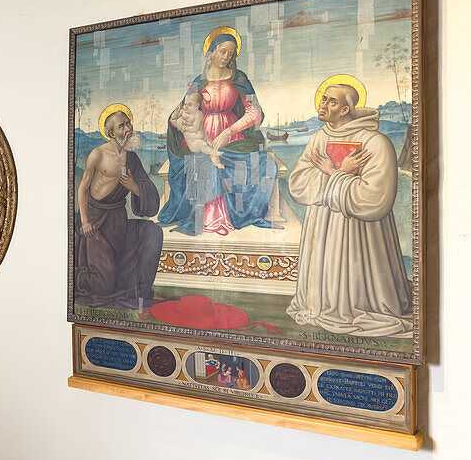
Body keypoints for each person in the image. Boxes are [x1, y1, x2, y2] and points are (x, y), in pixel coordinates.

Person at [286, 81, 413, 337]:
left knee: (358, 286)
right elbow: (298, 183)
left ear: (345, 110)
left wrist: (334, 174)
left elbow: (375, 198)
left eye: (331, 101)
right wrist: (336, 175)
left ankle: (359, 306)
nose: (323, 105)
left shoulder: (376, 142)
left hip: (361, 231)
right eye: (323, 99)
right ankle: (322, 305)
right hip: (322, 223)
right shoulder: (319, 138)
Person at [157, 30, 279, 236]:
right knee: (205, 162)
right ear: (211, 53)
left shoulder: (240, 78)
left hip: (233, 134)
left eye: (231, 54)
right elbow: (185, 109)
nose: (226, 57)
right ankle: (209, 219)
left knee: (262, 163)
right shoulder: (198, 82)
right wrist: (176, 118)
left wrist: (229, 131)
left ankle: (235, 215)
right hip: (203, 132)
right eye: (222, 52)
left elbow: (255, 111)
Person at [73, 106, 163, 310]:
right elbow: (82, 190)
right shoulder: (98, 155)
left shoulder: (132, 158)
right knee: (103, 286)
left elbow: (146, 188)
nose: (129, 128)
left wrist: (135, 187)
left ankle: (141, 290)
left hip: (118, 223)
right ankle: (76, 275)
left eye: (128, 123)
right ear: (112, 133)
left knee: (152, 232)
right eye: (123, 126)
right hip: (96, 226)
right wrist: (85, 221)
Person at [170, 91, 224, 169]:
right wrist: (176, 112)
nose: (186, 107)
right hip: (194, 143)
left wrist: (185, 128)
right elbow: (172, 119)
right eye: (185, 104)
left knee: (212, 145)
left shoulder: (198, 114)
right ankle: (214, 153)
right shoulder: (182, 112)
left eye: (190, 104)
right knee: (203, 145)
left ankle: (218, 163)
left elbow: (195, 128)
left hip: (204, 137)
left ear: (197, 105)